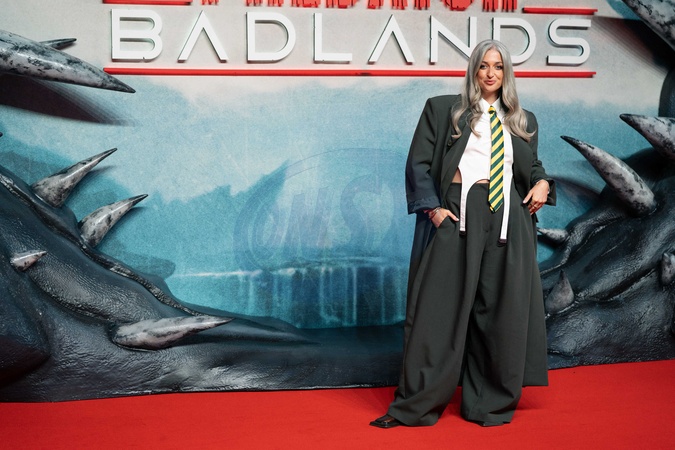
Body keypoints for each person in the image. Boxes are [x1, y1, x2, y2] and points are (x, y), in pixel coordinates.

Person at [370, 39, 555, 428]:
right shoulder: (444, 110)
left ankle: (488, 404)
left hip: (508, 217)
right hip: (458, 211)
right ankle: (415, 406)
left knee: (501, 313)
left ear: (507, 73)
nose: (491, 73)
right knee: (438, 312)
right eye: (484, 65)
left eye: (498, 67)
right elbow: (418, 165)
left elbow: (531, 166)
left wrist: (542, 184)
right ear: (473, 70)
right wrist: (435, 211)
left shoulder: (522, 120)